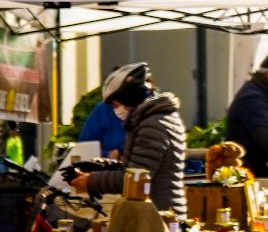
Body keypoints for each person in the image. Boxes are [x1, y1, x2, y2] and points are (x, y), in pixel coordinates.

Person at [67, 63, 188, 215]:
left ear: (130, 99)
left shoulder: (152, 127)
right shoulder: (157, 119)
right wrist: (104, 164)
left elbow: (135, 179)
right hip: (163, 211)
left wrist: (90, 181)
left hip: (159, 215)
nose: (116, 110)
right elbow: (136, 166)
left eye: (117, 105)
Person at [78, 74, 128, 158]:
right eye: (114, 105)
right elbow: (84, 147)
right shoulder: (103, 109)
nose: (117, 107)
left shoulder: (145, 111)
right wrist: (108, 154)